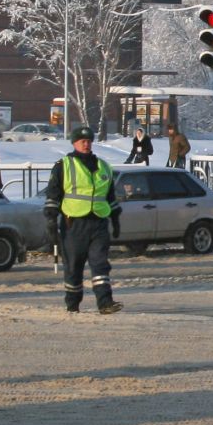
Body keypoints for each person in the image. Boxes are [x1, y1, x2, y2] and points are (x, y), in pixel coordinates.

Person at [43, 127, 124, 314]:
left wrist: (116, 218)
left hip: (99, 223)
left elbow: (110, 196)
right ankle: (72, 304)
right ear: (74, 143)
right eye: (82, 141)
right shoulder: (64, 165)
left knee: (100, 263)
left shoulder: (104, 166)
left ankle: (105, 302)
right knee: (73, 266)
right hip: (74, 224)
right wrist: (51, 221)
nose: (86, 144)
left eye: (88, 141)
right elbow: (53, 195)